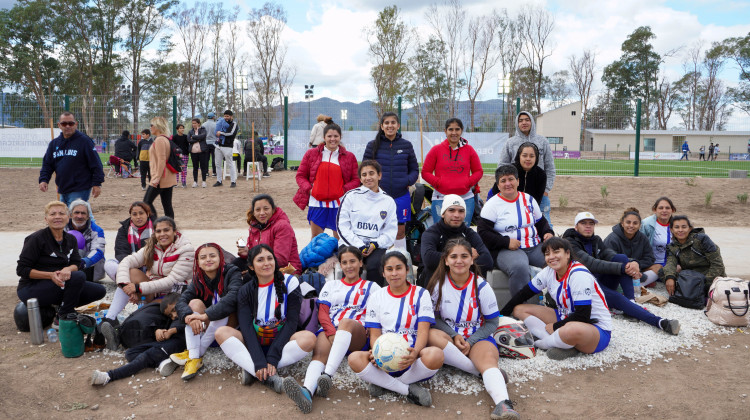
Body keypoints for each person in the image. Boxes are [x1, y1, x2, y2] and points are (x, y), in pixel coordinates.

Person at [426, 239, 518, 420]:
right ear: (445, 260)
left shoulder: (481, 286)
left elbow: (492, 322)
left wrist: (471, 341)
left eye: (464, 256)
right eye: (453, 256)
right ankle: (477, 371)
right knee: (431, 334)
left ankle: (503, 404)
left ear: (472, 259)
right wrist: (454, 336)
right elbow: (434, 320)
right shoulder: (438, 284)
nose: (458, 261)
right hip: (449, 338)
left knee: (488, 360)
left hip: (477, 337)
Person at [283, 247, 381, 413]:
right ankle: (306, 392)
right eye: (344, 262)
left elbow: (377, 315)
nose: (349, 266)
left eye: (352, 261)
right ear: (340, 265)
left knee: (346, 322)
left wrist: (371, 334)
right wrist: (331, 333)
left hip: (357, 333)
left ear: (360, 262)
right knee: (319, 355)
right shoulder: (331, 285)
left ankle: (327, 376)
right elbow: (323, 313)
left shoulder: (372, 287)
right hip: (332, 330)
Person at [347, 251, 443, 407]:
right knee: (354, 359)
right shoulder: (376, 296)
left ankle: (385, 383)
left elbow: (423, 330)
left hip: (412, 358)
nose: (394, 273)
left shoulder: (421, 294)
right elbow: (375, 334)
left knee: (436, 355)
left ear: (407, 269)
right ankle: (406, 389)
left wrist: (415, 352)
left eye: (399, 268)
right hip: (385, 359)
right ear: (383, 273)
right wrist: (377, 354)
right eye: (389, 269)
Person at [215, 245, 315, 393]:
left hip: (282, 342)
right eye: (260, 260)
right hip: (255, 342)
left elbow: (292, 322)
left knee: (309, 338)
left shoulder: (289, 282)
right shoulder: (245, 290)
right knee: (221, 333)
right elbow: (246, 326)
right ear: (251, 266)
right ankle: (267, 376)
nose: (267, 263)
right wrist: (258, 359)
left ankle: (254, 370)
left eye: (270, 258)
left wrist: (273, 357)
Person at [562, 212, 680, 335]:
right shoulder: (570, 244)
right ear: (576, 227)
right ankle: (660, 322)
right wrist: (623, 268)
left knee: (621, 257)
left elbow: (610, 254)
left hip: (599, 281)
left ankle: (631, 301)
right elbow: (592, 264)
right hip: (585, 287)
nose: (588, 226)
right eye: (583, 223)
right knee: (618, 297)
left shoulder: (595, 240)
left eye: (591, 224)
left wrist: (632, 263)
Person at [500, 237, 612, 360]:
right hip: (566, 316)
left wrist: (556, 326)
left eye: (556, 252)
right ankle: (562, 343)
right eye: (547, 254)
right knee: (519, 309)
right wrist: (500, 317)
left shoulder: (578, 274)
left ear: (568, 254)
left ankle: (543, 343)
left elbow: (583, 315)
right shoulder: (548, 271)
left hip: (596, 329)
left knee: (570, 330)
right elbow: (523, 294)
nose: (551, 256)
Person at [16, 201, 106, 321]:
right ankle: (64, 315)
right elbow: (22, 269)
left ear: (68, 217)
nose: (57, 217)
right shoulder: (36, 239)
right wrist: (51, 275)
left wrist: (68, 269)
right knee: (78, 276)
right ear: (46, 219)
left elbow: (76, 263)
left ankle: (62, 307)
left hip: (59, 283)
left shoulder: (71, 239)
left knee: (99, 291)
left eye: (61, 213)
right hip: (32, 287)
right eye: (53, 214)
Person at [168, 243, 243, 380]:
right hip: (209, 329)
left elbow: (232, 298)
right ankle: (195, 357)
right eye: (203, 257)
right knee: (193, 304)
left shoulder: (232, 272)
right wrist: (188, 316)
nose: (208, 259)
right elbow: (181, 301)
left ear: (221, 258)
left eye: (212, 255)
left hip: (229, 327)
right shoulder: (199, 278)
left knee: (223, 307)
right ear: (198, 263)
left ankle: (193, 354)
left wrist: (205, 315)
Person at [477, 164, 554, 297]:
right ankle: (518, 308)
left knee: (557, 260)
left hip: (534, 246)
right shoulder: (491, 205)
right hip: (507, 249)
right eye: (503, 180)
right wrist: (506, 242)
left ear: (518, 181)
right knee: (519, 267)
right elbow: (483, 233)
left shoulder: (529, 199)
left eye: (511, 179)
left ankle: (555, 301)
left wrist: (548, 232)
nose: (508, 183)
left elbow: (540, 222)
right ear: (498, 185)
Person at [103, 216, 194, 323]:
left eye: (166, 230)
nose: (162, 234)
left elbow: (172, 281)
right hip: (153, 291)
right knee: (126, 270)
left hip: (175, 294)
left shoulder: (186, 249)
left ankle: (122, 322)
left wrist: (137, 288)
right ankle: (110, 319)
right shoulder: (152, 247)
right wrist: (125, 286)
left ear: (174, 231)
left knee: (141, 317)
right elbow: (127, 261)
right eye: (158, 231)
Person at [90, 293, 186, 386]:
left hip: (175, 344)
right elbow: (170, 328)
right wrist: (158, 331)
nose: (174, 315)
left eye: (174, 310)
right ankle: (164, 361)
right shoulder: (177, 316)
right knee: (130, 354)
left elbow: (181, 326)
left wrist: (169, 332)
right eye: (170, 315)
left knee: (145, 357)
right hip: (167, 342)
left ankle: (109, 376)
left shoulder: (186, 311)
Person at [363, 112, 419, 250]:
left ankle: (401, 260)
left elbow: (414, 170)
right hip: (377, 196)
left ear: (398, 125)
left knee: (400, 232)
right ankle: (379, 263)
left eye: (393, 123)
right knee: (377, 229)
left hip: (400, 195)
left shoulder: (406, 145)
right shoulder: (372, 145)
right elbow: (364, 170)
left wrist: (407, 181)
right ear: (382, 126)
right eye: (386, 123)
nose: (390, 126)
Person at [336, 160, 398, 287]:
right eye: (364, 175)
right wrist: (359, 246)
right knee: (351, 264)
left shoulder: (388, 201)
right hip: (351, 243)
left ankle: (373, 300)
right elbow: (342, 226)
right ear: (360, 178)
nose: (368, 177)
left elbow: (391, 231)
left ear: (379, 175)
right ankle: (349, 298)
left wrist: (375, 244)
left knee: (375, 266)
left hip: (375, 246)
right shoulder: (350, 196)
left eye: (371, 173)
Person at [294, 123, 359, 240]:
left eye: (336, 136)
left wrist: (343, 190)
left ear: (340, 137)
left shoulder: (349, 157)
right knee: (316, 239)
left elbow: (356, 179)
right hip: (317, 203)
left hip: (340, 204)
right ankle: (318, 259)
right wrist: (310, 189)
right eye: (329, 136)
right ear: (324, 138)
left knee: (341, 239)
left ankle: (340, 259)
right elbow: (300, 176)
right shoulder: (311, 154)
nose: (332, 139)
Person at [419, 194, 493, 288]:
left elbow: (487, 261)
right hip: (437, 284)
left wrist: (450, 261)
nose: (456, 215)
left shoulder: (469, 233)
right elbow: (429, 259)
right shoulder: (431, 232)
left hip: (465, 285)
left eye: (461, 211)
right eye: (451, 210)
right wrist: (466, 256)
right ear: (443, 213)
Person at [421, 118, 483, 226]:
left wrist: (467, 183)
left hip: (465, 198)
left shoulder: (469, 150)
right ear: (445, 131)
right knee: (441, 232)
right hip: (441, 197)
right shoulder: (436, 150)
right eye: (450, 129)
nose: (454, 133)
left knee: (462, 232)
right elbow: (425, 172)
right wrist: (439, 183)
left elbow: (478, 171)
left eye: (457, 129)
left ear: (461, 130)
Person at [499, 112, 556, 228]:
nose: (524, 123)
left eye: (527, 120)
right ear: (517, 123)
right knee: (517, 223)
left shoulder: (542, 141)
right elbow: (502, 167)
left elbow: (550, 168)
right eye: (520, 120)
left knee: (545, 225)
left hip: (539, 191)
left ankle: (547, 246)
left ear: (532, 122)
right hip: (515, 192)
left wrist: (546, 189)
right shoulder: (510, 142)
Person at [38, 112, 104, 206]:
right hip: (63, 188)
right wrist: (44, 179)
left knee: (77, 214)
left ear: (76, 124)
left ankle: (90, 221)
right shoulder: (54, 144)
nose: (68, 126)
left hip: (80, 187)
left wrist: (97, 183)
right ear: (59, 125)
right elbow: (47, 164)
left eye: (71, 123)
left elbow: (96, 164)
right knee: (69, 216)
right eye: (64, 124)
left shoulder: (84, 141)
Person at [664, 215, 726, 298]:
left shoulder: (702, 240)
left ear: (690, 228)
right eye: (676, 227)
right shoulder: (672, 246)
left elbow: (718, 265)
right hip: (691, 277)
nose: (680, 230)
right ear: (671, 229)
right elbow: (670, 263)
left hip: (709, 276)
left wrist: (703, 284)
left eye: (684, 227)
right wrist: (670, 277)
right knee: (662, 272)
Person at [246, 194, 302, 275]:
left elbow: (280, 259)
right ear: (254, 213)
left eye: (266, 209)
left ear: (273, 210)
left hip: (285, 270)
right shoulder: (254, 227)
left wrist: (255, 268)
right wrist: (246, 252)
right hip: (263, 267)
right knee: (236, 265)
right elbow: (253, 253)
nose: (262, 213)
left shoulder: (282, 226)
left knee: (248, 278)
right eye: (258, 210)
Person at [604, 208, 657, 287]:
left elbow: (650, 258)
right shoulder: (612, 239)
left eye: (635, 223)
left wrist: (636, 264)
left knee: (658, 268)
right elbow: (609, 260)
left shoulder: (643, 238)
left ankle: (633, 285)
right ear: (622, 223)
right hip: (619, 271)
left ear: (639, 225)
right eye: (628, 222)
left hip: (638, 270)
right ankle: (636, 284)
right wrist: (630, 267)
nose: (631, 226)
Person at [104, 201, 154, 283]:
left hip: (151, 267)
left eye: (141, 213)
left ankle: (135, 282)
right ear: (131, 216)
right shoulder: (124, 229)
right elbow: (120, 252)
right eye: (134, 214)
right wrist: (132, 265)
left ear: (147, 214)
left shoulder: (157, 227)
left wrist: (149, 267)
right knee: (109, 265)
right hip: (130, 266)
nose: (138, 217)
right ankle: (129, 284)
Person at [489, 142, 546, 207]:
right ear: (519, 156)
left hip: (528, 208)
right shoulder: (509, 170)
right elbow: (496, 191)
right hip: (505, 205)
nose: (528, 159)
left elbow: (536, 201)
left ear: (536, 158)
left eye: (532, 156)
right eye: (524, 155)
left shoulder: (541, 175)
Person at [143, 117, 176, 219]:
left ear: (157, 126)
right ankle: (171, 228)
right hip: (166, 177)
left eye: (152, 125)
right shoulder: (165, 139)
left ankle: (155, 225)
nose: (150, 127)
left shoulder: (160, 140)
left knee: (146, 202)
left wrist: (156, 177)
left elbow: (162, 160)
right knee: (167, 205)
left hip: (161, 178)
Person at [65, 199, 106, 283]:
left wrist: (82, 263)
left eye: (83, 213)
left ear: (88, 216)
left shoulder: (97, 230)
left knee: (79, 252)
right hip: (65, 264)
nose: (79, 216)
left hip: (87, 266)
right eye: (76, 212)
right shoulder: (61, 228)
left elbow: (98, 251)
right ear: (70, 214)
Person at [640, 196, 677, 282]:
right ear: (654, 210)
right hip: (653, 265)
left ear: (673, 210)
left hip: (671, 264)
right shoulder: (646, 224)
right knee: (658, 271)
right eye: (661, 208)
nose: (664, 210)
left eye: (667, 208)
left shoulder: (678, 225)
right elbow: (639, 248)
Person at [214, 109, 238, 188]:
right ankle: (219, 181)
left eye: (227, 116)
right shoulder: (221, 122)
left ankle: (233, 181)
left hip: (228, 146)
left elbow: (231, 133)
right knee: (217, 164)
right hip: (218, 145)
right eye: (225, 116)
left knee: (230, 164)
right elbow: (216, 130)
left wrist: (221, 133)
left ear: (231, 116)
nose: (226, 117)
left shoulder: (234, 124)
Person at [188, 118, 209, 188]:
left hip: (202, 151)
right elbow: (189, 140)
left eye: (195, 123)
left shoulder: (203, 130)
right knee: (195, 167)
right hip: (193, 152)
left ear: (198, 123)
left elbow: (203, 136)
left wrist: (193, 137)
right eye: (193, 123)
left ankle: (204, 181)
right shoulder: (190, 131)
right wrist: (198, 139)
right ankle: (195, 181)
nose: (193, 124)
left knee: (203, 167)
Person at [172, 124, 190, 188]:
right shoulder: (174, 137)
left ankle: (183, 182)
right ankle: (175, 182)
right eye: (180, 128)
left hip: (184, 154)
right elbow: (173, 146)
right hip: (176, 155)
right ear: (177, 129)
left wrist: (187, 153)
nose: (182, 129)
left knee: (184, 169)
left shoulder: (185, 136)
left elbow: (187, 146)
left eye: (183, 128)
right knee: (176, 168)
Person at [203, 112, 218, 176]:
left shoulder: (203, 124)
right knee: (214, 158)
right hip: (214, 143)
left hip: (205, 142)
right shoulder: (215, 124)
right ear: (213, 117)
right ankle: (214, 172)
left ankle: (206, 172)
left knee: (206, 158)